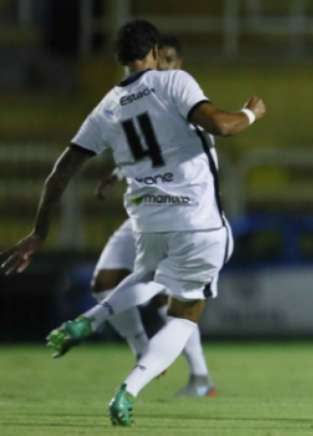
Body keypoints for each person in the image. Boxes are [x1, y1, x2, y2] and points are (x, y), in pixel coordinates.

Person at [0, 19, 265, 425]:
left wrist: (39, 233)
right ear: (155, 53)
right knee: (183, 314)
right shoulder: (173, 81)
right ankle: (130, 389)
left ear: (120, 60)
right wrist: (251, 111)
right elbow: (222, 125)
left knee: (144, 276)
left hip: (149, 223)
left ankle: (88, 321)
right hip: (198, 223)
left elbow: (61, 172)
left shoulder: (106, 106)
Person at [92, 34, 217, 397]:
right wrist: (117, 174)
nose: (164, 66)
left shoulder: (184, 96)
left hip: (182, 214)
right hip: (145, 214)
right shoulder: (136, 98)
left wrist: (246, 115)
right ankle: (145, 354)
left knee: (171, 300)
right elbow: (144, 150)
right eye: (160, 59)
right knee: (103, 283)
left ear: (178, 63)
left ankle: (200, 377)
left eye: (171, 60)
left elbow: (187, 149)